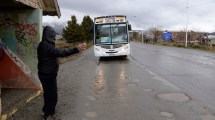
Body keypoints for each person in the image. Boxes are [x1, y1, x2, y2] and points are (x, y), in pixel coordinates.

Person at [37, 26, 86, 120]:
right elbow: (61, 52)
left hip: (48, 74)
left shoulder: (44, 44)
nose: (54, 38)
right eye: (53, 36)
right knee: (50, 95)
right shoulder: (46, 46)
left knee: (51, 94)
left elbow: (56, 53)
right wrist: (76, 49)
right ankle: (47, 114)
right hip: (47, 75)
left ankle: (49, 111)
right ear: (50, 35)